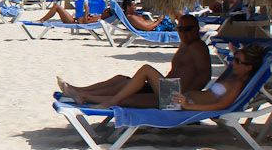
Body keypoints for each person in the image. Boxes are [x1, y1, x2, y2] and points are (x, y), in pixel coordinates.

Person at [57, 14, 211, 107]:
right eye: (181, 29)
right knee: (123, 82)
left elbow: (205, 76)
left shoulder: (198, 47)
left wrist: (187, 97)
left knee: (146, 70)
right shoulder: (186, 45)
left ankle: (108, 102)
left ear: (197, 29)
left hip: (176, 98)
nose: (184, 33)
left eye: (188, 29)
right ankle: (80, 92)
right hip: (166, 92)